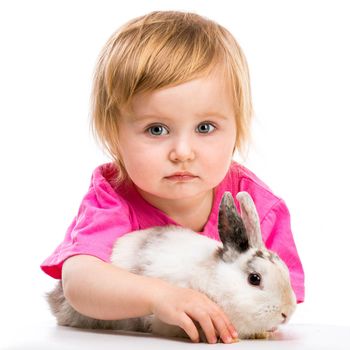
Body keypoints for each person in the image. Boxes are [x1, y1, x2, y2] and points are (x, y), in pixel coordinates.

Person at [41, 10, 304, 344]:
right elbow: (78, 283)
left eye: (205, 128)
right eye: (156, 129)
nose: (182, 151)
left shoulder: (258, 206)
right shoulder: (113, 197)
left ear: (238, 128)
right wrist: (160, 297)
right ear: (114, 136)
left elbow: (281, 297)